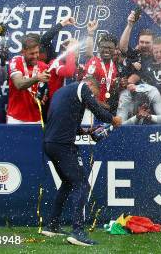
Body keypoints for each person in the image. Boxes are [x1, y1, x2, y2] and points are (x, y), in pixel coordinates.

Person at [41, 77, 122, 246]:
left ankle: (52, 225)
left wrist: (86, 131)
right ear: (90, 84)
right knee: (82, 184)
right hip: (63, 145)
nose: (91, 98)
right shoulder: (82, 88)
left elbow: (64, 122)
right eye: (93, 94)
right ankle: (78, 232)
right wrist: (113, 120)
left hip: (50, 143)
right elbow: (98, 111)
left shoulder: (61, 92)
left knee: (68, 183)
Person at [7, 34, 50, 124]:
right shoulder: (16, 61)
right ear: (23, 52)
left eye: (37, 52)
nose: (35, 56)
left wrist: (43, 98)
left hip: (37, 118)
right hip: (16, 118)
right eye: (31, 53)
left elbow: (46, 91)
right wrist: (37, 77)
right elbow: (19, 84)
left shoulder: (43, 66)